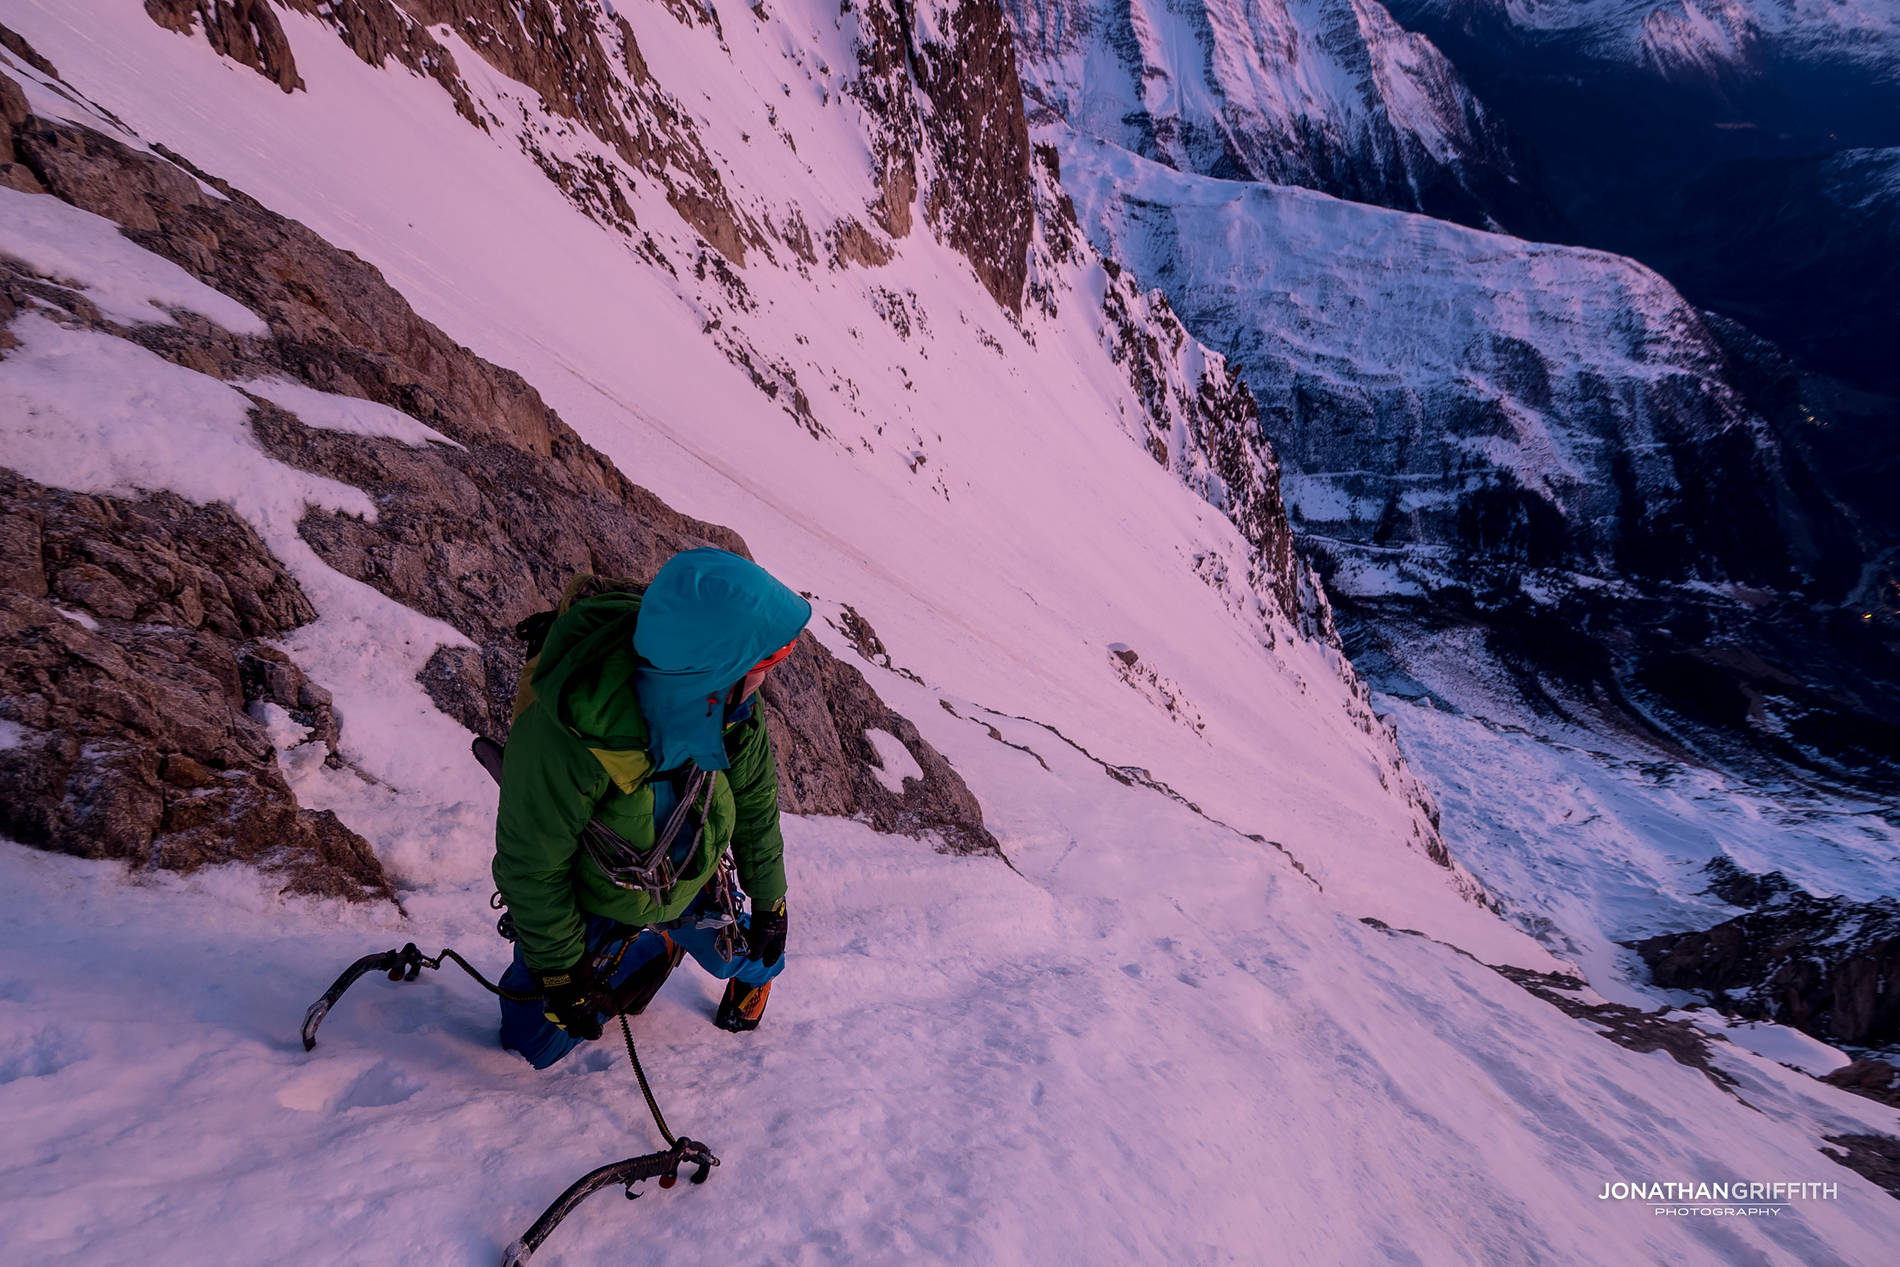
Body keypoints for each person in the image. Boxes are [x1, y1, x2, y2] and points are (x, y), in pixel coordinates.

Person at [490, 547, 811, 1069]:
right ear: (715, 666)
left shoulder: (733, 712)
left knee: (745, 953)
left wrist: (770, 905)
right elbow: (533, 863)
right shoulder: (572, 728)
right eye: (763, 664)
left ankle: (755, 976)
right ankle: (653, 951)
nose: (764, 680)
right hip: (593, 890)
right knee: (532, 1046)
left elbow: (755, 809)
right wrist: (560, 973)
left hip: (691, 870)